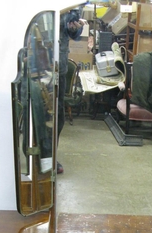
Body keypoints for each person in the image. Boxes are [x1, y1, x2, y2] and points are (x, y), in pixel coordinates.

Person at [57, 9, 87, 174]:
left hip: (58, 67)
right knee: (34, 116)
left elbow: (73, 33)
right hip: (35, 64)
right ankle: (32, 157)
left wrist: (76, 27)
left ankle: (49, 156)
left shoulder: (73, 6)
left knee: (58, 117)